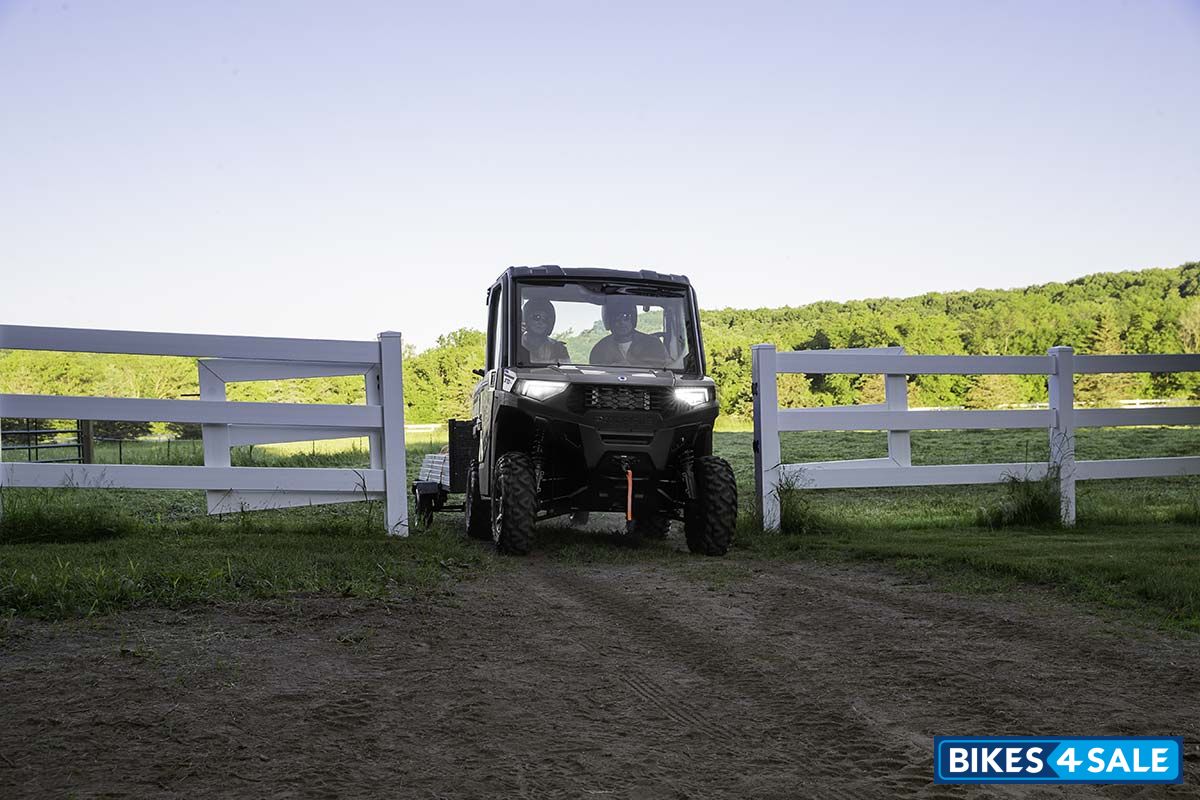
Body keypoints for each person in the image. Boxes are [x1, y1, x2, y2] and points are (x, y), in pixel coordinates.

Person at [588, 297, 670, 368]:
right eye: (616, 318)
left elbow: (664, 371)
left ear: (633, 318)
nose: (622, 323)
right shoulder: (600, 350)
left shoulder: (654, 345)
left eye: (626, 317)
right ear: (609, 321)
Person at [519, 298, 570, 365]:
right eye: (537, 317)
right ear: (526, 318)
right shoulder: (516, 345)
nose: (540, 322)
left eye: (545, 319)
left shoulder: (558, 349)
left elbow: (565, 371)